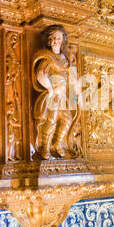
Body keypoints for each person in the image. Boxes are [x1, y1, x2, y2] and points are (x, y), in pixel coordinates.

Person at [32, 25, 74, 160]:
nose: (56, 40)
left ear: (63, 41)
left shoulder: (65, 59)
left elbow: (71, 77)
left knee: (67, 119)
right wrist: (50, 88)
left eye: (59, 38)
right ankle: (45, 146)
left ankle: (57, 144)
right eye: (54, 38)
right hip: (52, 95)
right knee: (51, 120)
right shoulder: (47, 57)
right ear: (50, 40)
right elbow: (40, 75)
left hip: (63, 96)